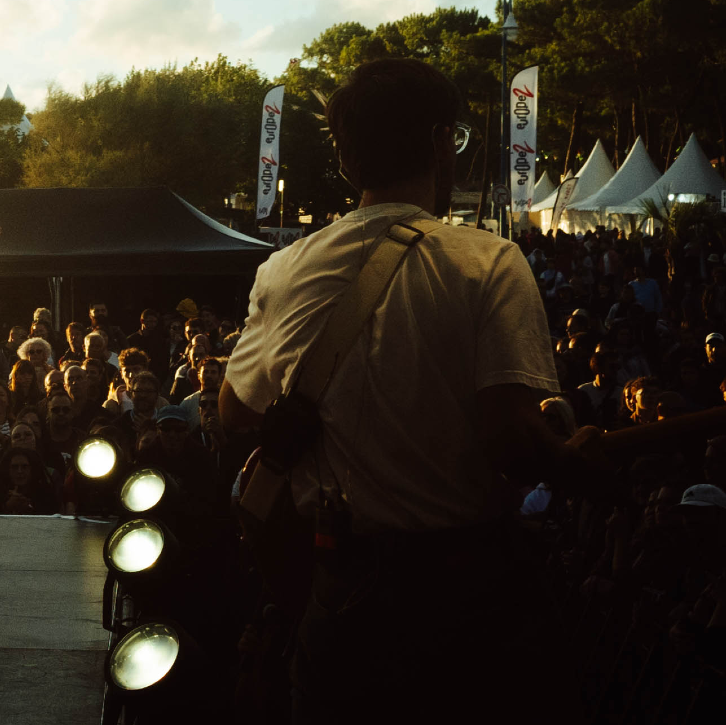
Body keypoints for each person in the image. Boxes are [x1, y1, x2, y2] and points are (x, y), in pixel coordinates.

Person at [217, 58, 598, 723]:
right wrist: (568, 459)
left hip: (338, 599)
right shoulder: (488, 261)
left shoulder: (285, 269)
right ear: (439, 142)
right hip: (465, 603)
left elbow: (235, 411)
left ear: (345, 161)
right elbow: (511, 437)